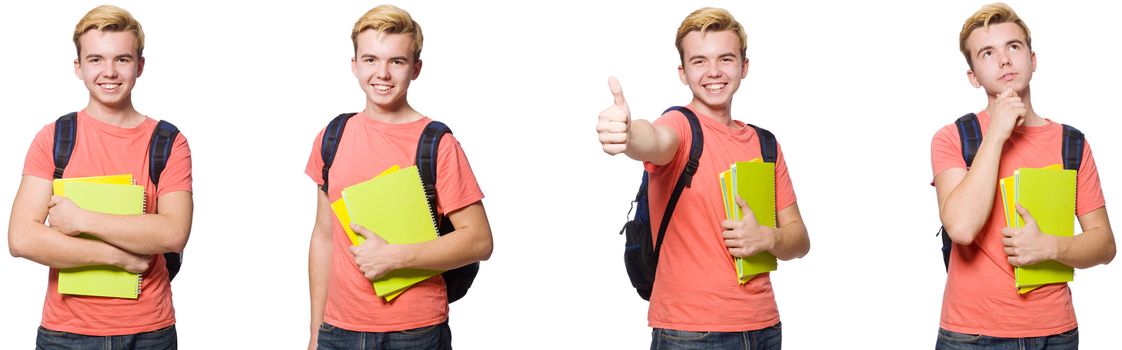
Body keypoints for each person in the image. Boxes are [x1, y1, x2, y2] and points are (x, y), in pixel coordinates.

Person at [596, 7, 809, 349]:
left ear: (744, 66)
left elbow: (799, 240)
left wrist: (767, 238)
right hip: (691, 334)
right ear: (682, 72)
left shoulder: (765, 143)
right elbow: (654, 140)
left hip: (765, 328)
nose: (713, 72)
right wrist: (627, 135)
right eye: (699, 61)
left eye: (725, 59)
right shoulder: (680, 126)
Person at [304, 5, 493, 349]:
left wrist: (396, 257)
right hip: (337, 330)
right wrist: (316, 331)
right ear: (354, 65)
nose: (383, 73)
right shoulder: (332, 136)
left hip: (414, 332)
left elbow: (480, 241)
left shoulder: (437, 144)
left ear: (416, 68)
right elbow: (324, 237)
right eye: (371, 59)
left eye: (397, 61)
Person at [7, 5, 193, 349]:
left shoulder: (168, 142)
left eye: (122, 59)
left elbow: (173, 232)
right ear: (78, 67)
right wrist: (119, 257)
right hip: (65, 333)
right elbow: (21, 239)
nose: (109, 72)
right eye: (95, 60)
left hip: (149, 331)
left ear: (140, 65)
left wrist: (80, 219)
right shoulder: (54, 138)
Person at [930, 3, 1115, 348]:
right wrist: (997, 133)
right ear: (973, 76)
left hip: (1056, 333)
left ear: (1033, 59)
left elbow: (1104, 244)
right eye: (987, 53)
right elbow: (961, 228)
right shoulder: (953, 137)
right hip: (971, 335)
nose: (1004, 60)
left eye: (1013, 47)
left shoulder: (1071, 143)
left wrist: (1052, 246)